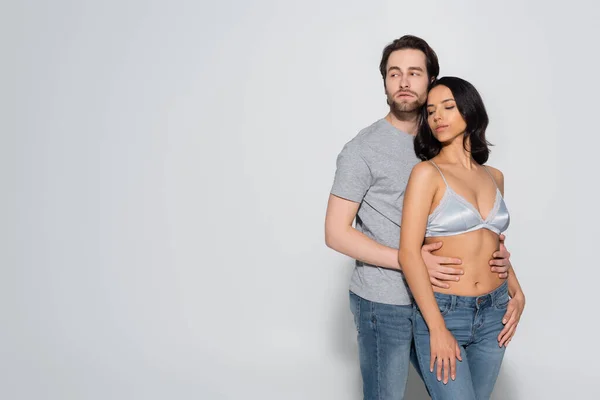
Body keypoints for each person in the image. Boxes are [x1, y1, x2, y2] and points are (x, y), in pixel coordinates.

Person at [324, 35, 522, 400]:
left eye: (414, 73)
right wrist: (410, 259)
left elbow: (476, 226)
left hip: (453, 301)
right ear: (383, 81)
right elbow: (336, 232)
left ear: (431, 80)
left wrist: (503, 268)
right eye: (393, 73)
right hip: (386, 300)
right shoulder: (363, 150)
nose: (403, 82)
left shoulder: (438, 141)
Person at [398, 77, 526, 399]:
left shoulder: (494, 176)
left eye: (448, 107)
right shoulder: (426, 173)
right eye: (430, 111)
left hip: (494, 311)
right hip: (444, 310)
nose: (437, 116)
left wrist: (517, 291)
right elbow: (408, 254)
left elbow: (494, 245)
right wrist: (436, 328)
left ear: (470, 111)